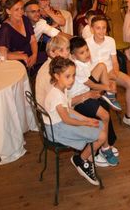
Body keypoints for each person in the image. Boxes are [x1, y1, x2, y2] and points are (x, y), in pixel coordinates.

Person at [43, 57, 106, 186]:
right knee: (102, 136)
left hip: (61, 123)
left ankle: (87, 158)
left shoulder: (61, 88)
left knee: (99, 124)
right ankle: (81, 160)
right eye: (68, 76)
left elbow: (69, 110)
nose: (72, 80)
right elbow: (66, 119)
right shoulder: (56, 96)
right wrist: (86, 123)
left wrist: (87, 119)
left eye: (73, 75)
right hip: (57, 129)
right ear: (56, 75)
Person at [69, 37, 120, 167]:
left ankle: (109, 96)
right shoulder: (77, 67)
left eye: (87, 50)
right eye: (81, 52)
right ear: (73, 56)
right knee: (105, 115)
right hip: (80, 99)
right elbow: (91, 84)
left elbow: (90, 82)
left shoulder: (83, 63)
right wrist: (107, 86)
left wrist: (107, 86)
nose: (86, 54)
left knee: (102, 66)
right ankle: (105, 148)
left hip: (86, 90)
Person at [89, 16, 130, 132]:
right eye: (98, 28)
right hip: (95, 75)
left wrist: (114, 75)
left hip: (110, 72)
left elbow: (114, 62)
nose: (101, 31)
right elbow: (86, 67)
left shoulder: (110, 41)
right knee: (106, 80)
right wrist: (109, 80)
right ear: (91, 29)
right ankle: (109, 93)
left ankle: (128, 117)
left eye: (104, 28)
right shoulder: (87, 43)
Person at [0, 0, 38, 70]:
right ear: (8, 11)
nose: (21, 12)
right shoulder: (5, 28)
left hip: (31, 55)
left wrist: (34, 55)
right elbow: (2, 55)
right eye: (16, 9)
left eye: (22, 8)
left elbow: (33, 40)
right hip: (16, 61)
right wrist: (21, 56)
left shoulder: (25, 19)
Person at [35, 34, 71, 107]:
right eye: (61, 50)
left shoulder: (57, 65)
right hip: (51, 112)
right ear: (52, 53)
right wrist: (82, 97)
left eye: (67, 48)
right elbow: (56, 102)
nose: (67, 53)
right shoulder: (50, 72)